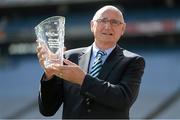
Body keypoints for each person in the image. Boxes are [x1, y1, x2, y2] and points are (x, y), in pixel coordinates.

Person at [36, 5, 145, 119]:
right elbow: (47, 110)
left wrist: (83, 79)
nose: (108, 27)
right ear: (92, 25)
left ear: (122, 29)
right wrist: (49, 74)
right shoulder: (68, 57)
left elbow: (123, 99)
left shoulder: (133, 61)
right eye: (103, 20)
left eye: (114, 22)